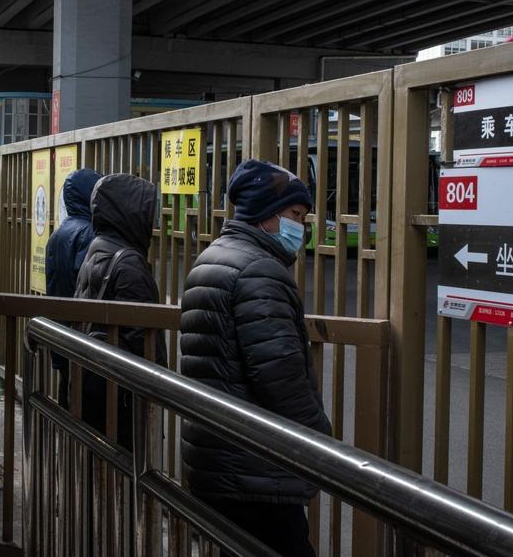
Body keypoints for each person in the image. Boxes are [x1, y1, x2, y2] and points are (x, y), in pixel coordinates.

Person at [179, 159, 330, 557]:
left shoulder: (213, 257)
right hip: (255, 466)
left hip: (217, 454)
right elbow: (281, 376)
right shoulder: (260, 270)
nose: (303, 226)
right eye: (296, 214)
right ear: (265, 215)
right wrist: (322, 440)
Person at [73, 173, 163, 447]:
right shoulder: (130, 264)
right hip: (122, 401)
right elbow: (144, 342)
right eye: (148, 210)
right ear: (130, 210)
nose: (152, 219)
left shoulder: (98, 247)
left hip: (97, 390)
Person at [44, 169, 101, 406]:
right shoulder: (88, 234)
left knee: (66, 397)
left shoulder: (58, 233)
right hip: (80, 334)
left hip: (60, 328)